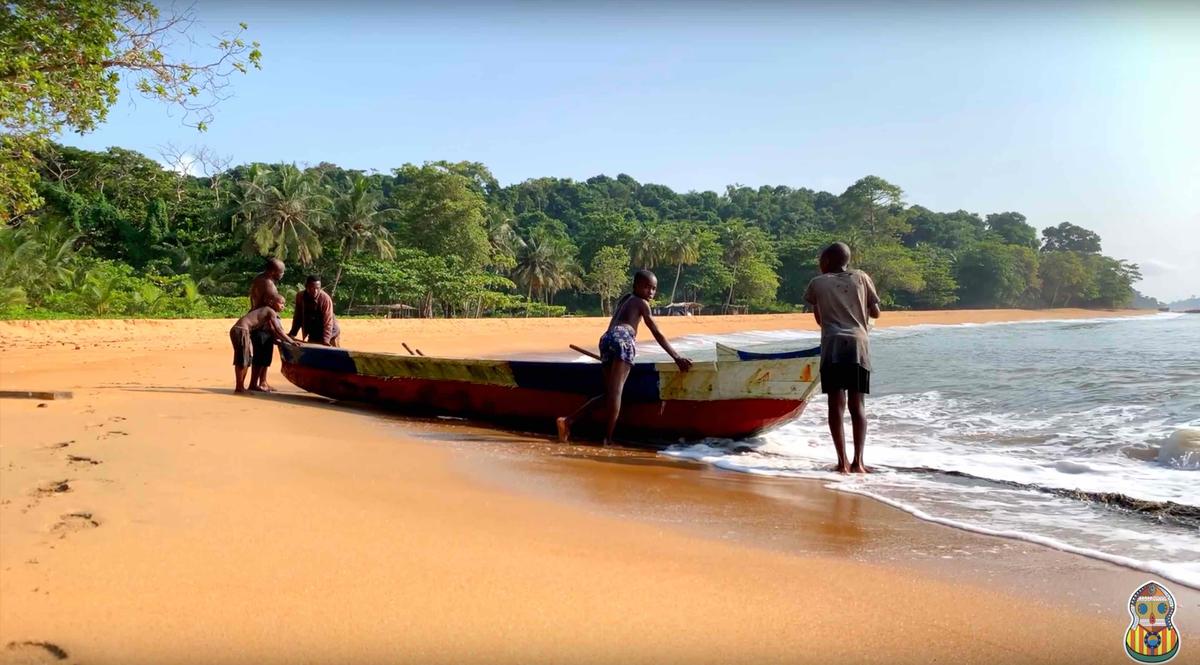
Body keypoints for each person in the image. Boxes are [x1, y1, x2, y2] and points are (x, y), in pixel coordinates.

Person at [556, 269, 693, 445]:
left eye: (653, 288)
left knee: (610, 394)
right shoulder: (642, 303)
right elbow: (656, 331)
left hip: (607, 339)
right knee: (617, 393)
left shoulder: (626, 300)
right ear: (635, 286)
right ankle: (608, 439)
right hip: (623, 340)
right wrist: (676, 357)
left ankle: (568, 421)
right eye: (646, 287)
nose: (650, 292)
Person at [803, 242, 881, 474]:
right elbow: (875, 312)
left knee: (836, 405)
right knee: (858, 406)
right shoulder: (861, 277)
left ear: (826, 261)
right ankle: (859, 462)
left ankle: (842, 462)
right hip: (859, 344)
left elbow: (819, 319)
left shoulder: (817, 283)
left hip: (833, 344)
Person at [230, 295, 298, 393]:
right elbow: (278, 329)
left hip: (240, 330)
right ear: (271, 303)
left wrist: (280, 340)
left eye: (284, 304)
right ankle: (239, 387)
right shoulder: (270, 311)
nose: (283, 306)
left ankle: (243, 386)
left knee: (246, 358)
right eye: (281, 303)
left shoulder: (266, 311)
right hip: (241, 330)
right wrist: (290, 341)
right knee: (243, 359)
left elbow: (273, 330)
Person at [247, 258, 285, 392]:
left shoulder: (259, 279)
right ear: (273, 271)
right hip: (263, 324)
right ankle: (254, 383)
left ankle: (262, 382)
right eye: (281, 271)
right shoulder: (268, 284)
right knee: (261, 355)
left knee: (265, 354)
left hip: (261, 321)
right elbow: (273, 305)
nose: (282, 274)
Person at [289, 276, 341, 347]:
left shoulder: (325, 299)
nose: (315, 291)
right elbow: (298, 317)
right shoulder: (300, 297)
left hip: (331, 330)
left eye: (318, 288)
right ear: (306, 287)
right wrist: (292, 333)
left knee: (333, 354)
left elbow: (328, 321)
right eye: (312, 288)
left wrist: (326, 341)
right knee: (312, 352)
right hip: (314, 330)